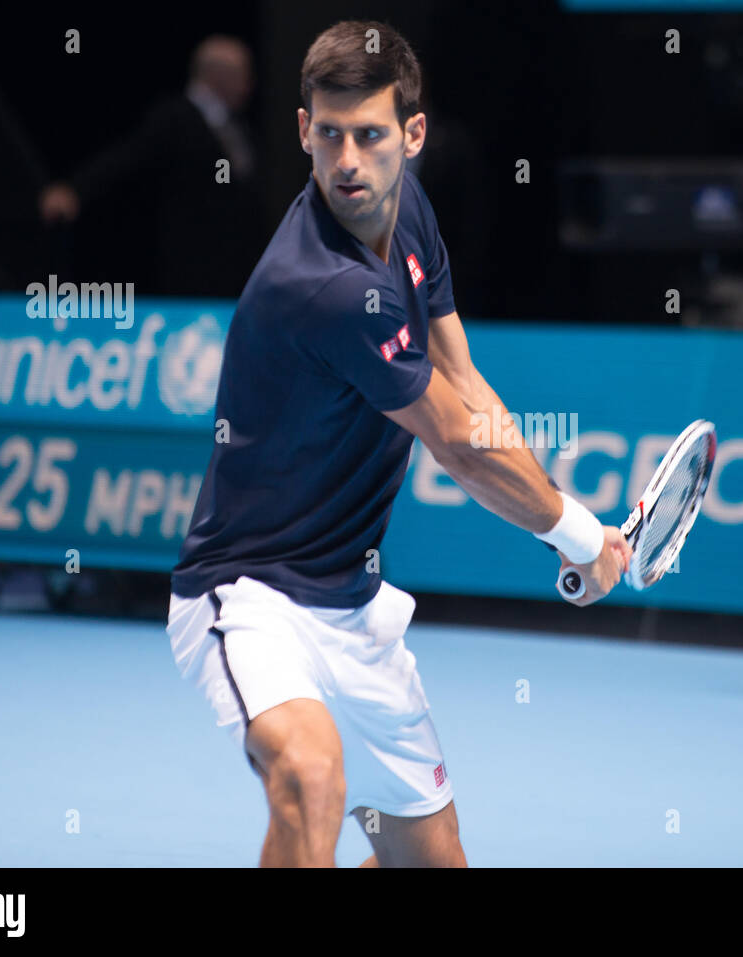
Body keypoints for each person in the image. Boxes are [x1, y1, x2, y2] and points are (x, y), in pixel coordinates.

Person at [165, 20, 629, 868]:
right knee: (309, 775)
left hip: (355, 606)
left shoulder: (409, 208)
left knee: (427, 859)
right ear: (303, 129)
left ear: (412, 136)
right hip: (251, 594)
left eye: (370, 136)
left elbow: (465, 381)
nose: (348, 160)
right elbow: (456, 443)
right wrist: (577, 534)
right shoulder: (326, 287)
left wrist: (574, 524)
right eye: (329, 134)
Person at [38, 35, 267, 297]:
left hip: (237, 270)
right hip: (190, 270)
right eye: (242, 75)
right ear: (218, 76)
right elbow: (127, 157)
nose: (249, 85)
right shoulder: (174, 118)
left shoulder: (238, 127)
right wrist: (74, 189)